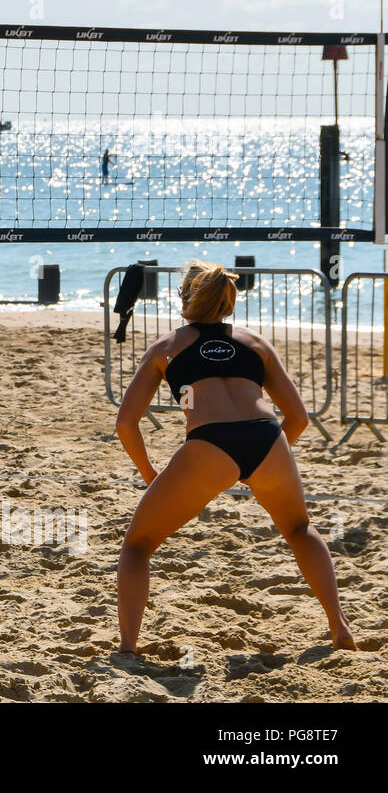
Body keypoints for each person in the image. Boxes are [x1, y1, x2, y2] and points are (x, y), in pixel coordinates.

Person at [114, 261, 356, 656]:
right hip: (267, 437)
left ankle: (127, 647)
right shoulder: (256, 343)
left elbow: (126, 423)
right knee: (299, 529)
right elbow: (299, 417)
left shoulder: (166, 347)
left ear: (185, 298)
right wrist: (264, 462)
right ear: (227, 299)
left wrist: (150, 473)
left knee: (137, 546)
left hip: (209, 444)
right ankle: (339, 625)